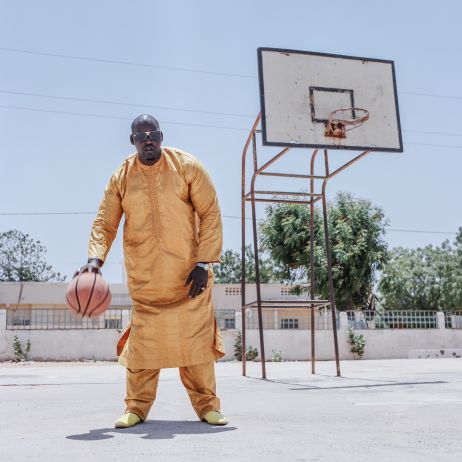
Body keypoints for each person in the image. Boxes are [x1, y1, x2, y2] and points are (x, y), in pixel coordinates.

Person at [79, 114, 227, 428]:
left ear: (161, 136)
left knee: (196, 347)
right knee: (143, 351)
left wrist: (204, 263)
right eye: (141, 135)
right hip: (146, 282)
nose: (148, 140)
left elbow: (211, 212)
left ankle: (207, 406)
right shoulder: (121, 177)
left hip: (190, 281)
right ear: (132, 141)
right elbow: (105, 223)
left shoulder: (187, 166)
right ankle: (136, 407)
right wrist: (94, 262)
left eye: (153, 134)